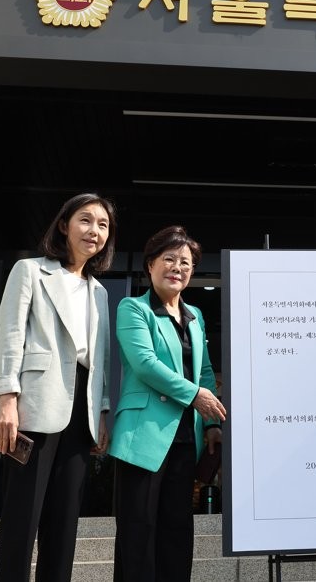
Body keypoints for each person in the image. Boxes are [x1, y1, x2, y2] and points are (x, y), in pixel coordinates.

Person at [0, 192, 116, 582]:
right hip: (34, 405)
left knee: (64, 523)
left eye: (104, 225)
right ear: (64, 225)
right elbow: (9, 335)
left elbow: (99, 358)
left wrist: (101, 412)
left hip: (81, 410)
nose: (95, 231)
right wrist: (6, 399)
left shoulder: (100, 292)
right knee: (22, 519)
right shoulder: (29, 270)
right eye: (86, 220)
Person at [109, 225, 227, 582]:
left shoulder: (195, 316)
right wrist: (194, 395)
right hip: (142, 435)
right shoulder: (134, 308)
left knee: (177, 530)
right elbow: (144, 363)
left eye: (186, 263)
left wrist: (211, 425)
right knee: (138, 529)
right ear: (150, 265)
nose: (178, 267)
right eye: (169, 259)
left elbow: (203, 370)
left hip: (183, 438)